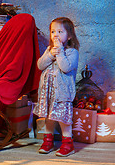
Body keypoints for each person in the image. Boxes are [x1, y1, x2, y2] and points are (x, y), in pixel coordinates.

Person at [33, 17, 80, 157]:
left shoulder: (72, 52)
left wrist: (59, 52)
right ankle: (48, 140)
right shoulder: (50, 50)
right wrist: (49, 54)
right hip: (47, 93)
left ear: (69, 35)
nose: (56, 35)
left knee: (63, 119)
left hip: (62, 93)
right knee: (49, 117)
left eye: (60, 31)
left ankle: (68, 144)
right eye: (53, 31)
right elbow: (40, 65)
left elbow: (65, 68)